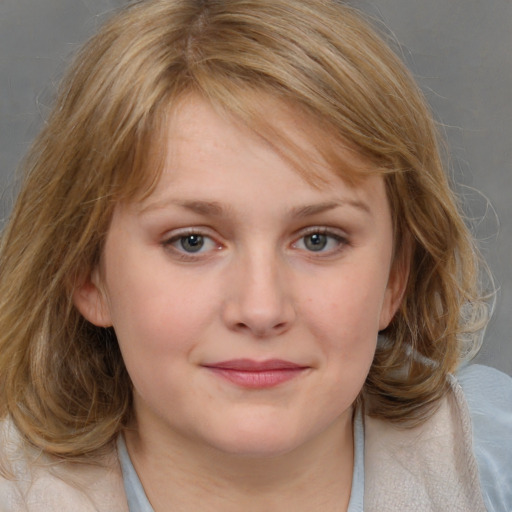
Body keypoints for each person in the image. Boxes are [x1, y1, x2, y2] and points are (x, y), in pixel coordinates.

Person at [0, 0, 510, 510]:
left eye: (319, 239)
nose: (262, 310)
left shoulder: (492, 461)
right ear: (88, 276)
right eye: (192, 241)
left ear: (394, 279)